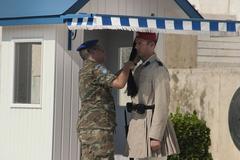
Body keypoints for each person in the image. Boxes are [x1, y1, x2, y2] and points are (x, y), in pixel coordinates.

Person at [76, 39, 137, 160]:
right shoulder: (97, 68)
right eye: (101, 50)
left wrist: (128, 67)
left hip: (87, 127)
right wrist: (126, 67)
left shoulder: (85, 70)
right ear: (92, 52)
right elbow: (119, 83)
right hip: (99, 127)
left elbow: (112, 78)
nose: (104, 53)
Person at [125, 32, 180, 160]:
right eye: (136, 43)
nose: (136, 47)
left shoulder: (158, 69)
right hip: (138, 125)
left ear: (152, 45)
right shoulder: (139, 69)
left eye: (140, 43)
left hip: (150, 128)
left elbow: (162, 104)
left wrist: (156, 136)